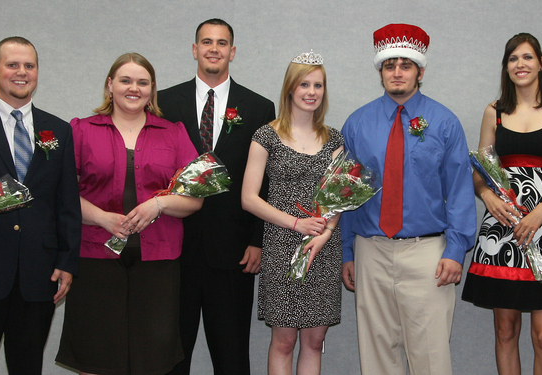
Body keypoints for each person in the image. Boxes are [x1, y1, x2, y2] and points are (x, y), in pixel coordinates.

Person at [339, 23, 477, 375]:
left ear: (420, 71)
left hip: (428, 253)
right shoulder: (357, 124)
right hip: (371, 250)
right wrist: (348, 251)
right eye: (389, 65)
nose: (397, 72)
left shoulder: (444, 123)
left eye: (405, 65)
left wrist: (455, 250)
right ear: (380, 71)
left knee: (430, 356)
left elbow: (460, 190)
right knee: (377, 354)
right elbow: (346, 193)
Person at [54, 53, 202, 374]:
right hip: (95, 259)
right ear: (110, 85)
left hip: (158, 263)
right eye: (125, 80)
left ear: (152, 89)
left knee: (152, 358)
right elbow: (62, 195)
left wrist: (158, 204)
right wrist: (101, 217)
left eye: (142, 82)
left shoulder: (173, 132)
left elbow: (195, 198)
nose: (133, 88)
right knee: (96, 355)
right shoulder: (81, 130)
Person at [0, 36, 82, 375]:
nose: (21, 72)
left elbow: (66, 200)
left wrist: (68, 260)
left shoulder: (59, 130)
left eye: (29, 65)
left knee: (27, 367)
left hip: (38, 272)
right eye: (12, 65)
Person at [157, 18, 276, 375]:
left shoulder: (258, 108)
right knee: (172, 353)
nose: (213, 49)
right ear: (195, 50)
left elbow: (266, 182)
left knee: (232, 354)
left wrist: (258, 240)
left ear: (232, 52)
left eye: (221, 43)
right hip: (175, 247)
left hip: (235, 251)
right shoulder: (163, 102)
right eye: (206, 42)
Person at [461, 33, 542, 375]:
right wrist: (486, 195)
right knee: (505, 331)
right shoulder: (494, 113)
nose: (521, 64)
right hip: (503, 231)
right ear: (506, 67)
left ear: (541, 63)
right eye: (513, 59)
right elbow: (480, 172)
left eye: (528, 57)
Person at [241, 51, 343, 375]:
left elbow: (339, 199)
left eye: (318, 85)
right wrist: (296, 223)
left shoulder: (335, 140)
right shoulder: (266, 136)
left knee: (314, 342)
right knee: (284, 341)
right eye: (304, 84)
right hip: (281, 246)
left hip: (322, 250)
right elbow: (248, 198)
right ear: (290, 89)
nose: (311, 92)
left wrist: (323, 234)